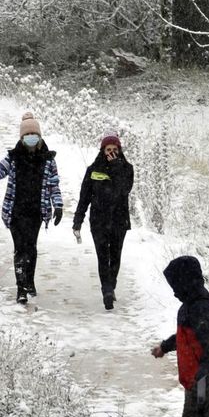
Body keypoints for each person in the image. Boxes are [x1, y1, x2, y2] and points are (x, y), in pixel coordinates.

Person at [0, 111, 64, 304]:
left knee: (31, 247)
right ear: (22, 138)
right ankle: (21, 289)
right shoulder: (13, 158)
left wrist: (58, 206)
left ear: (39, 137)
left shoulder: (48, 159)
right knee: (20, 249)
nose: (31, 138)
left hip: (36, 212)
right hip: (16, 212)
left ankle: (29, 281)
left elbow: (54, 184)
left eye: (34, 135)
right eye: (27, 135)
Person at [71, 133, 134, 311]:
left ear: (120, 151)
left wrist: (115, 167)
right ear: (102, 151)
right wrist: (78, 220)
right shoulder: (93, 170)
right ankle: (106, 290)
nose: (111, 153)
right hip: (98, 221)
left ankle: (111, 285)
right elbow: (84, 197)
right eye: (108, 150)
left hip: (119, 221)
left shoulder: (127, 169)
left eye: (115, 150)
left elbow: (124, 189)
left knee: (115, 256)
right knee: (102, 257)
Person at [152, 255, 209, 388]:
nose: (175, 293)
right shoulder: (191, 303)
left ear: (185, 282)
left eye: (175, 286)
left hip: (206, 389)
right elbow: (187, 337)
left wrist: (203, 383)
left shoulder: (201, 308)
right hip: (197, 387)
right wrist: (165, 347)